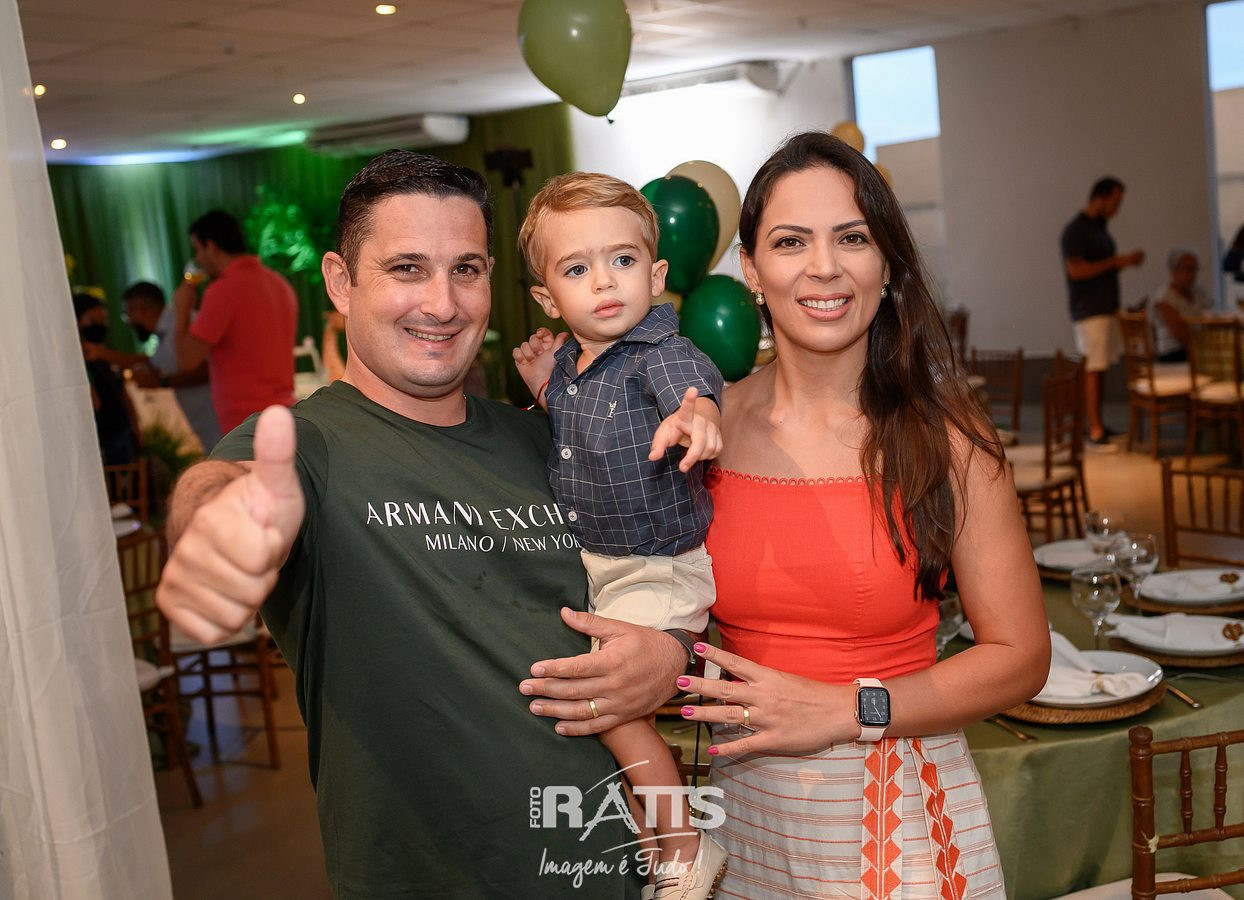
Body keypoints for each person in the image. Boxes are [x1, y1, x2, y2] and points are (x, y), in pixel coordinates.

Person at [155, 151, 693, 898]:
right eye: (407, 268)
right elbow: (224, 491)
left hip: (612, 874)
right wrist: (217, 524)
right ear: (340, 281)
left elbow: (661, 567)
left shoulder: (549, 438)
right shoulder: (308, 448)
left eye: (465, 270)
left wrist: (670, 651)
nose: (442, 304)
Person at [662, 132, 1048, 896]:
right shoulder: (706, 430)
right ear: (751, 268)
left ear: (888, 263)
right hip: (746, 812)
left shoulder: (946, 438)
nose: (824, 267)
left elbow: (1021, 655)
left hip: (896, 807)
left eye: (852, 238)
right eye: (790, 241)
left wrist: (852, 707)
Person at [513, 172, 727, 898]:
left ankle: (688, 849)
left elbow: (693, 388)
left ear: (657, 276)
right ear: (548, 298)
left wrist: (697, 416)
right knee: (593, 705)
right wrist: (544, 385)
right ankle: (650, 830)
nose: (604, 281)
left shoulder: (656, 352)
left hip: (655, 565)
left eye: (623, 260)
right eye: (577, 269)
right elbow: (583, 430)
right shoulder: (573, 366)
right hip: (601, 564)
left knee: (609, 707)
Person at [173, 210, 298, 434]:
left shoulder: (223, 290)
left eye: (197, 249)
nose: (198, 259)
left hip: (247, 423)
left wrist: (181, 309)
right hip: (286, 413)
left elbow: (186, 360)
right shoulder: (278, 283)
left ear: (211, 246)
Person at [1060, 177, 1145, 446]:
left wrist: (1123, 262)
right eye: (1115, 202)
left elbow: (1102, 266)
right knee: (1093, 368)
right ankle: (1094, 428)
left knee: (1102, 366)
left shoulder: (1100, 229)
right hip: (1089, 309)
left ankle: (1098, 423)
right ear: (1100, 198)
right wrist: (1116, 262)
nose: (1117, 209)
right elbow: (1076, 270)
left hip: (1105, 307)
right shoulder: (1076, 230)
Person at [116, 281, 222, 451]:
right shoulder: (163, 333)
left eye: (128, 314)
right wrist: (102, 354)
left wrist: (163, 382)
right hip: (207, 422)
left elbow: (211, 369)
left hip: (218, 417)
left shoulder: (183, 322)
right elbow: (150, 363)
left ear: (141, 308)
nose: (129, 322)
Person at [74, 292, 141, 465]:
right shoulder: (76, 359)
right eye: (92, 320)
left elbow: (123, 391)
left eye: (103, 320)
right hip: (103, 439)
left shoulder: (104, 354)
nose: (100, 325)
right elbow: (94, 403)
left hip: (122, 434)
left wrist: (135, 430)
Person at [1147, 247, 1210, 363]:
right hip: (1173, 352)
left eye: (1195, 269)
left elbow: (1209, 317)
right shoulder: (1164, 298)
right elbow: (1181, 335)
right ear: (1174, 271)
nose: (1193, 274)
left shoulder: (1199, 293)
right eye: (1189, 269)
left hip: (1197, 346)